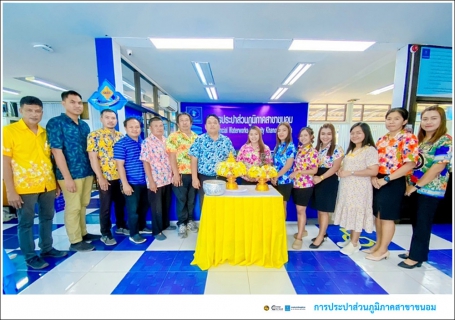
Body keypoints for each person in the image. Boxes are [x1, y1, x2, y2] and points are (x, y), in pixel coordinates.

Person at [3, 96, 67, 269]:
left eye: (37, 111)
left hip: (47, 184)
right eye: (29, 110)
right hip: (24, 186)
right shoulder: (9, 131)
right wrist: (10, 190)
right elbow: (5, 162)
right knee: (26, 222)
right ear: (21, 110)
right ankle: (30, 256)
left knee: (48, 217)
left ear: (42, 112)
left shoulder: (44, 132)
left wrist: (56, 183)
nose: (34, 114)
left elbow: (50, 159)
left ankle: (47, 248)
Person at [399, 106, 452, 269]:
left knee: (423, 222)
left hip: (430, 189)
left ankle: (417, 257)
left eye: (433, 118)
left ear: (441, 120)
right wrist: (410, 185)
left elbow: (438, 167)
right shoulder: (420, 140)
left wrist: (416, 185)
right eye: (425, 119)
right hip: (414, 187)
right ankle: (416, 250)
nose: (428, 122)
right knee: (416, 221)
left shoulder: (444, 139)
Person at [46, 90, 99, 252]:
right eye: (72, 102)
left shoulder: (84, 125)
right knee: (73, 206)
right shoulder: (56, 123)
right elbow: (56, 151)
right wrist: (67, 178)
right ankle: (75, 241)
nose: (76, 106)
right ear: (64, 103)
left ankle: (83, 233)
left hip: (86, 171)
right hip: (69, 173)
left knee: (83, 204)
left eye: (79, 103)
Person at [368, 108, 419, 261]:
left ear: (404, 121)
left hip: (394, 180)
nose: (391, 121)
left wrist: (387, 179)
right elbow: (375, 161)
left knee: (387, 217)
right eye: (389, 118)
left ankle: (384, 249)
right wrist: (374, 177)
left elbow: (409, 164)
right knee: (377, 215)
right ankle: (378, 245)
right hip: (379, 179)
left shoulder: (409, 138)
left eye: (396, 119)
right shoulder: (382, 139)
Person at [333, 122, 378, 256]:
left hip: (359, 188)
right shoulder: (352, 150)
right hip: (347, 188)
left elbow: (373, 170)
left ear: (366, 134)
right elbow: (347, 166)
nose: (355, 136)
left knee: (357, 212)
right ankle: (353, 240)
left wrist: (351, 172)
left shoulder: (370, 150)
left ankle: (354, 243)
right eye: (352, 133)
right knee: (351, 212)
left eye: (358, 133)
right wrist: (341, 170)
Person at [87, 109, 128, 246]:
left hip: (120, 177)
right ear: (101, 119)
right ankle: (105, 233)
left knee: (120, 204)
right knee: (105, 207)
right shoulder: (94, 136)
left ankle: (121, 226)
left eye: (113, 118)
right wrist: (100, 177)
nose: (111, 120)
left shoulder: (120, 136)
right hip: (106, 177)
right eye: (107, 117)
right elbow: (93, 158)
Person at [114, 117, 152, 244]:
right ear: (125, 128)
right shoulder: (121, 144)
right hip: (131, 183)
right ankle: (134, 233)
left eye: (137, 127)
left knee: (143, 207)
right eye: (131, 127)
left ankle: (141, 226)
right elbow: (120, 166)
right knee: (133, 210)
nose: (135, 129)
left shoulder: (143, 142)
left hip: (144, 182)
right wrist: (125, 184)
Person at [309, 123, 344, 249]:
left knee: (324, 211)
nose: (325, 136)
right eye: (323, 134)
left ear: (333, 135)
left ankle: (320, 236)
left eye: (329, 134)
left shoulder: (337, 149)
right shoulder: (316, 148)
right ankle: (322, 233)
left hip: (328, 180)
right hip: (317, 178)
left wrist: (321, 178)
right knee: (319, 209)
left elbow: (335, 167)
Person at [189, 114, 235, 209]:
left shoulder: (226, 140)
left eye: (215, 123)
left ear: (219, 125)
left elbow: (232, 158)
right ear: (205, 126)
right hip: (204, 178)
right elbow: (193, 159)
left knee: (222, 205)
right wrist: (194, 178)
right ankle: (207, 224)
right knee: (206, 204)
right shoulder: (199, 140)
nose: (212, 125)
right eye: (209, 123)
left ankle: (221, 224)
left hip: (222, 178)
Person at [140, 116, 175, 241]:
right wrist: (151, 181)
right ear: (150, 128)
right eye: (156, 126)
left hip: (167, 179)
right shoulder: (147, 142)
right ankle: (157, 230)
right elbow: (146, 162)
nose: (159, 128)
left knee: (166, 204)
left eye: (161, 126)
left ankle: (165, 225)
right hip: (155, 180)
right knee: (156, 207)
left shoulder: (166, 141)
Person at [166, 112, 199, 238]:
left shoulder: (196, 137)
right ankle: (182, 224)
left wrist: (196, 176)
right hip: (180, 174)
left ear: (191, 123)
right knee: (181, 200)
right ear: (178, 123)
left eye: (187, 120)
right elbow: (172, 156)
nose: (185, 122)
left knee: (191, 200)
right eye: (182, 120)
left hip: (194, 174)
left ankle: (190, 221)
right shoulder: (173, 137)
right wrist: (175, 174)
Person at [289, 127, 319, 250]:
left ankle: (299, 237)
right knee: (299, 210)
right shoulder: (300, 149)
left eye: (306, 135)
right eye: (301, 136)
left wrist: (299, 172)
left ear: (311, 137)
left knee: (301, 211)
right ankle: (302, 230)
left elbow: (314, 170)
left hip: (305, 185)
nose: (303, 138)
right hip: (296, 185)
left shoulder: (313, 151)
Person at [270, 122, 297, 220]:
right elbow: (274, 164)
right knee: (276, 206)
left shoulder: (290, 146)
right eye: (279, 130)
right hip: (275, 180)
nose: (281, 133)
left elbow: (288, 166)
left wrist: (276, 176)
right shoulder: (277, 146)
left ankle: (282, 230)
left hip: (285, 181)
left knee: (282, 206)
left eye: (284, 130)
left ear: (289, 132)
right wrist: (273, 177)